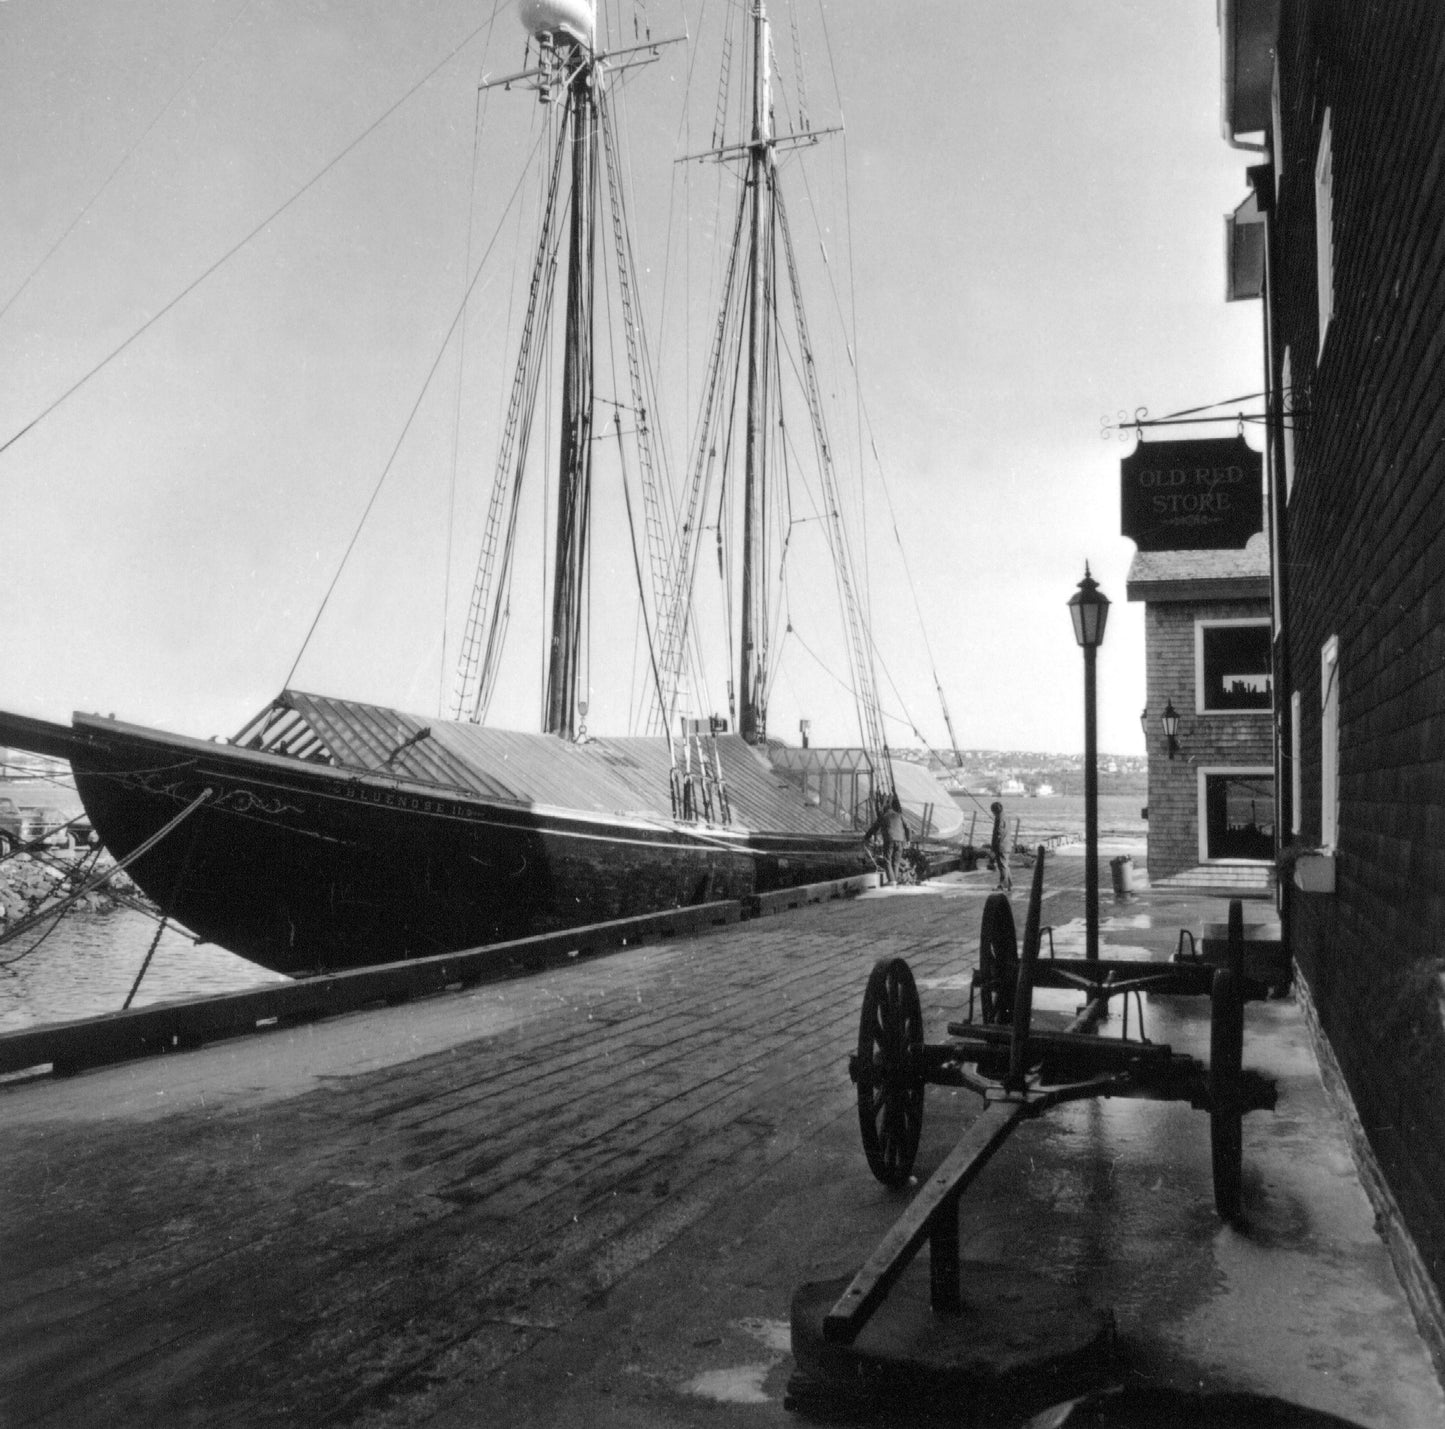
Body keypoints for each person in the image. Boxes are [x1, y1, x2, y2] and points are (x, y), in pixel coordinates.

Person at [866, 793, 910, 885]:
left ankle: (892, 881)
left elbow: (874, 828)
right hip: (901, 840)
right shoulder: (899, 815)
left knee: (887, 860)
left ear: (884, 809)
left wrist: (866, 837)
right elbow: (907, 827)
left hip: (889, 839)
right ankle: (895, 880)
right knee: (896, 861)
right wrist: (908, 839)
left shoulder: (883, 816)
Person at [989, 800, 1012, 893]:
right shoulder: (1006, 817)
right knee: (1005, 865)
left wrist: (993, 848)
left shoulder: (999, 818)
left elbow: (998, 834)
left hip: (1001, 846)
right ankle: (1009, 884)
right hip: (1007, 845)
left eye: (993, 812)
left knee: (1002, 866)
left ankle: (1003, 885)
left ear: (995, 811)